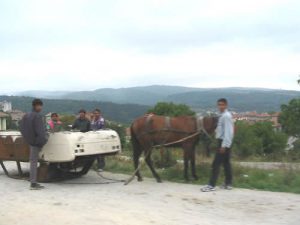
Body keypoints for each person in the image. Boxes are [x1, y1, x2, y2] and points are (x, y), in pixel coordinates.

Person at [201, 98, 234, 192]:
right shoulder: (222, 115)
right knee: (226, 163)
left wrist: (224, 146)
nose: (221, 106)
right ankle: (228, 183)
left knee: (216, 164)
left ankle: (211, 185)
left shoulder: (226, 116)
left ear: (226, 105)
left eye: (222, 104)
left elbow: (229, 132)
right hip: (224, 142)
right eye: (219, 104)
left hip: (223, 142)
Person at [20, 99, 48, 190]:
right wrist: (42, 141)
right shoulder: (37, 116)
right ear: (36, 106)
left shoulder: (26, 116)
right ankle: (33, 184)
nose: (41, 108)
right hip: (36, 143)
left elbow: (22, 130)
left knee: (33, 162)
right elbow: (41, 132)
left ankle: (33, 182)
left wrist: (28, 140)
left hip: (30, 142)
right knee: (34, 163)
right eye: (40, 106)